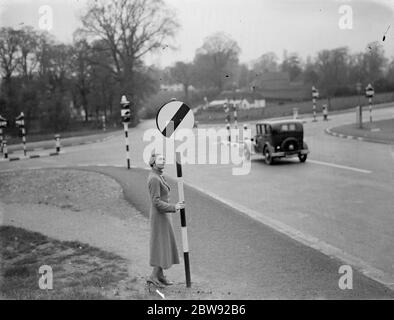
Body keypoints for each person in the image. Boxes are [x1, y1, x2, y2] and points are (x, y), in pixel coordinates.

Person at [147, 153, 185, 287]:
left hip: (164, 215)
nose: (163, 160)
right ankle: (153, 276)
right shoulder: (154, 179)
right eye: (160, 159)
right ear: (153, 162)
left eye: (164, 158)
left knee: (164, 244)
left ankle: (160, 276)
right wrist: (174, 207)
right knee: (161, 245)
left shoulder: (158, 176)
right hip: (159, 216)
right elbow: (156, 202)